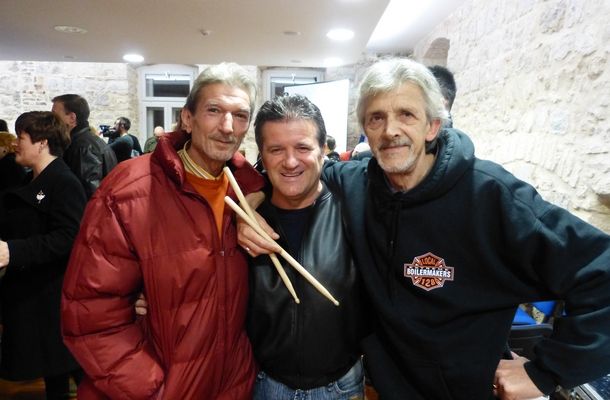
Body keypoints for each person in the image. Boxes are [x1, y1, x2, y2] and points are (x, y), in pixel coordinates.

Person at [243, 58, 610, 400]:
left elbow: (601, 271)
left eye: (406, 114)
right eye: (376, 118)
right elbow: (298, 170)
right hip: (387, 389)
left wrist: (546, 370)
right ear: (366, 131)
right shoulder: (357, 184)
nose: (390, 130)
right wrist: (251, 201)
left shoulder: (489, 195)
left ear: (433, 125)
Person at [61, 62, 265, 399]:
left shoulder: (249, 192)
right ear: (187, 118)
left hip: (230, 385)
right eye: (214, 111)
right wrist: (151, 389)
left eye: (240, 116)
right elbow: (91, 313)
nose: (228, 127)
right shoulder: (129, 189)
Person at [246, 94, 369, 399]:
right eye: (276, 150)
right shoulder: (245, 220)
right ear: (262, 155)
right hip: (265, 384)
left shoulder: (354, 210)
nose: (290, 162)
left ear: (324, 150)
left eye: (302, 148)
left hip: (341, 386)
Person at [0, 111, 86, 400]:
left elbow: (68, 237)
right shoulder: (33, 180)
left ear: (42, 143)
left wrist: (13, 251)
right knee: (55, 371)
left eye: (22, 137)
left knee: (67, 366)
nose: (16, 143)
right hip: (35, 292)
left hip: (51, 293)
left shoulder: (63, 182)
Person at [51, 94, 117, 198]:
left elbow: (88, 193)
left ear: (72, 118)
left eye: (54, 115)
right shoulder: (88, 141)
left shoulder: (82, 147)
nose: (51, 120)